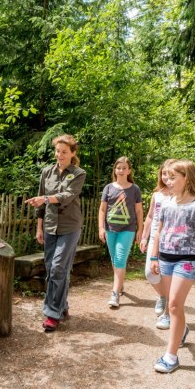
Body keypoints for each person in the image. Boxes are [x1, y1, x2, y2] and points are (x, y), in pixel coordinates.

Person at [148, 160, 195, 373]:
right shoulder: (166, 202)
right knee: (171, 304)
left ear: (187, 178)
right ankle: (182, 329)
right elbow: (159, 231)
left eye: (173, 177)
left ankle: (171, 356)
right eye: (167, 176)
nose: (168, 180)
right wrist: (155, 257)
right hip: (165, 258)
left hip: (188, 260)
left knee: (175, 304)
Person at [25, 134, 87, 332]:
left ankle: (52, 313)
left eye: (64, 152)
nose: (60, 155)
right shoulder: (46, 172)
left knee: (58, 267)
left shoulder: (78, 173)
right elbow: (41, 206)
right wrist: (39, 227)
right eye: (57, 151)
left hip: (70, 227)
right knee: (53, 268)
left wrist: (44, 198)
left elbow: (67, 196)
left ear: (73, 153)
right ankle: (62, 305)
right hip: (50, 227)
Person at [98, 157, 144, 308]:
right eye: (119, 168)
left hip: (128, 230)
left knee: (120, 259)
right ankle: (120, 285)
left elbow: (138, 211)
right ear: (115, 170)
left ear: (129, 170)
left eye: (124, 168)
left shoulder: (134, 189)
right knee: (114, 258)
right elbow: (103, 209)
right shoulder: (108, 188)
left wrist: (140, 229)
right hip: (110, 229)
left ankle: (115, 293)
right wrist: (101, 228)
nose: (121, 170)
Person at [139, 160, 175, 327]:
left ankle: (168, 312)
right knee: (150, 273)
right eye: (164, 173)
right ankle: (163, 296)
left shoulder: (181, 194)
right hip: (155, 238)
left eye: (170, 174)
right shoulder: (157, 194)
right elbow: (150, 216)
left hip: (172, 241)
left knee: (168, 277)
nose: (166, 177)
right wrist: (145, 237)